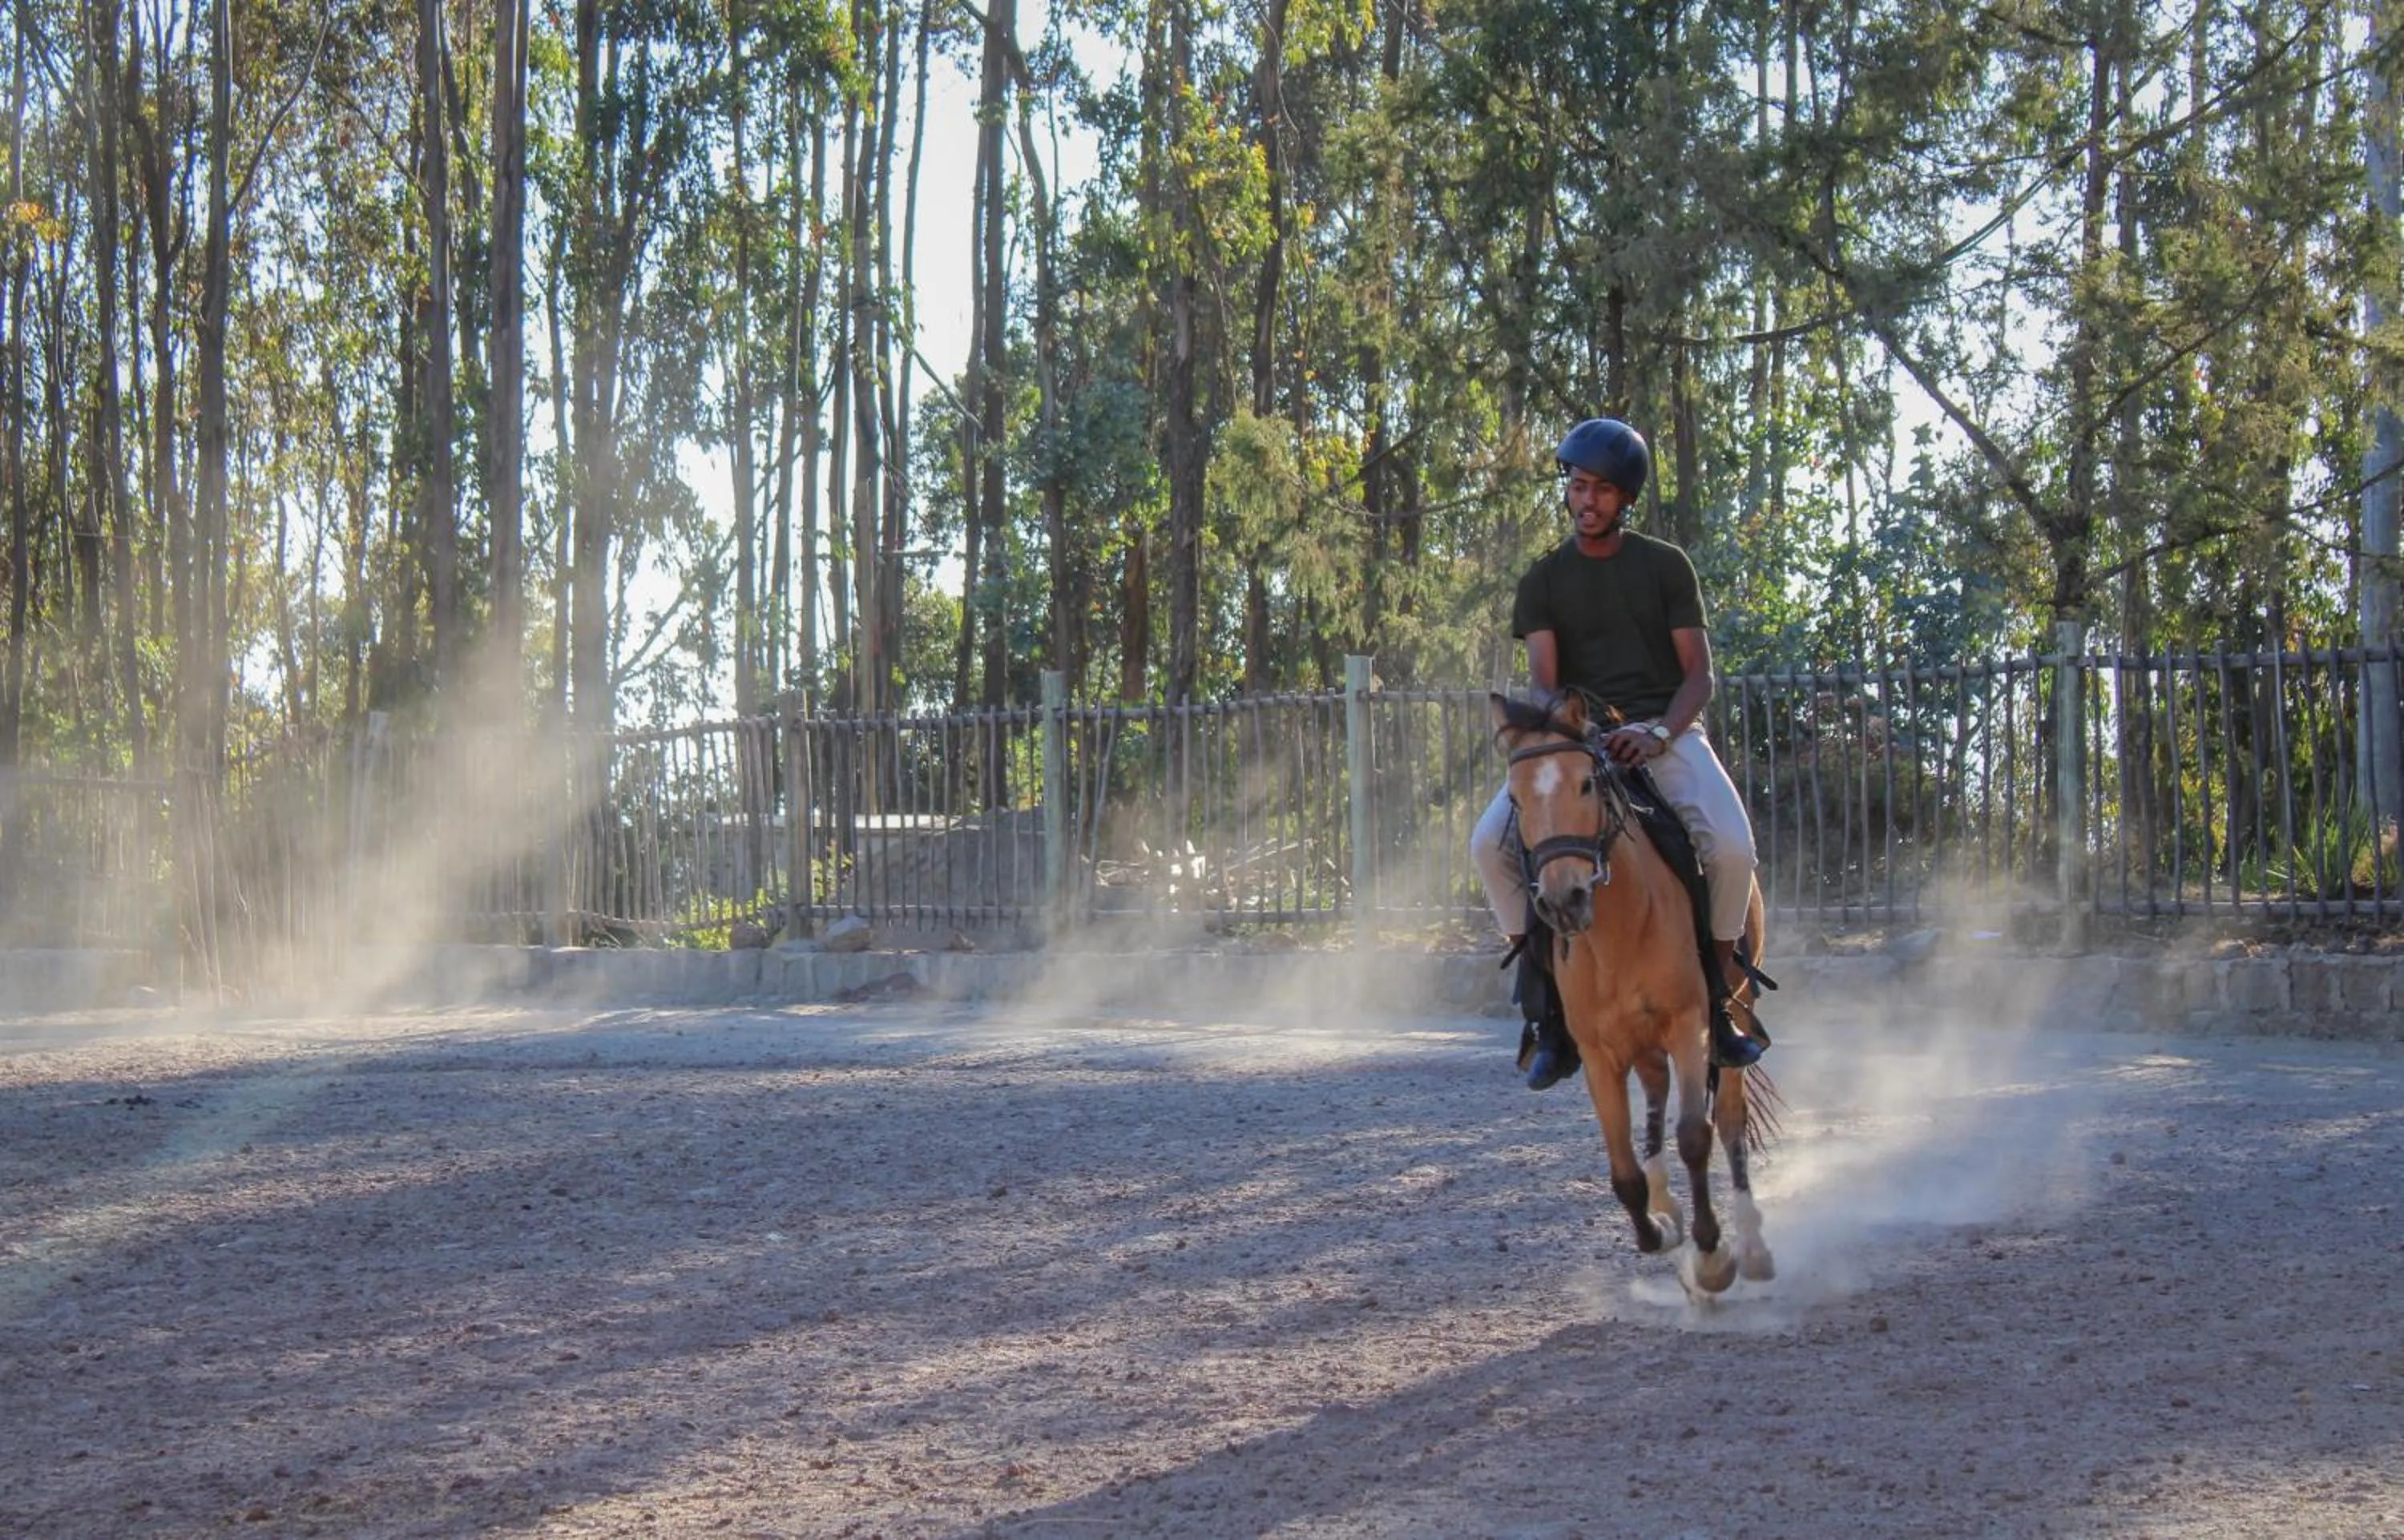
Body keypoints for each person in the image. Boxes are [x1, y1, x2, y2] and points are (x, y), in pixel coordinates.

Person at [1470, 417, 1766, 1088]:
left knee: (1731, 849)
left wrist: (1658, 732)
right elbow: (1545, 685)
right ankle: (1545, 1010)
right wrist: (1581, 741)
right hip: (1580, 745)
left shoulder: (1665, 568)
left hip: (1667, 736)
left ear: (1625, 499)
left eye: (1603, 490)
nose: (1587, 500)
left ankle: (1718, 1007)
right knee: (1489, 844)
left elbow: (1700, 676)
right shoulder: (1544, 580)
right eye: (1578, 486)